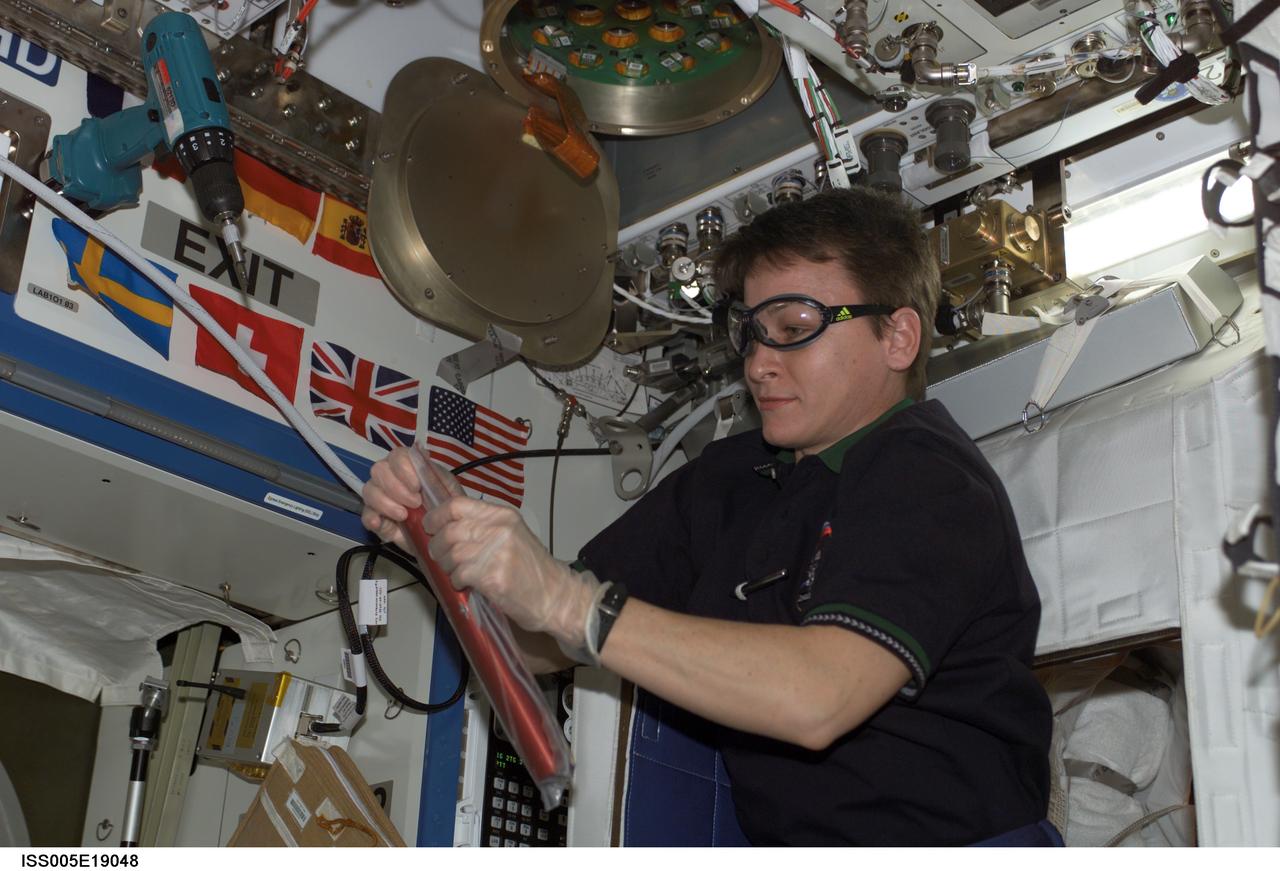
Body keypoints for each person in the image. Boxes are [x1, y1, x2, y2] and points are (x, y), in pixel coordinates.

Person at [361, 187, 1055, 846]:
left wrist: (570, 602)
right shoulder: (728, 481)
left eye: (793, 327)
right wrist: (444, 539)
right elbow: (537, 645)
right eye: (749, 334)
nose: (757, 364)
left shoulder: (928, 476)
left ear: (899, 337)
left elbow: (818, 697)